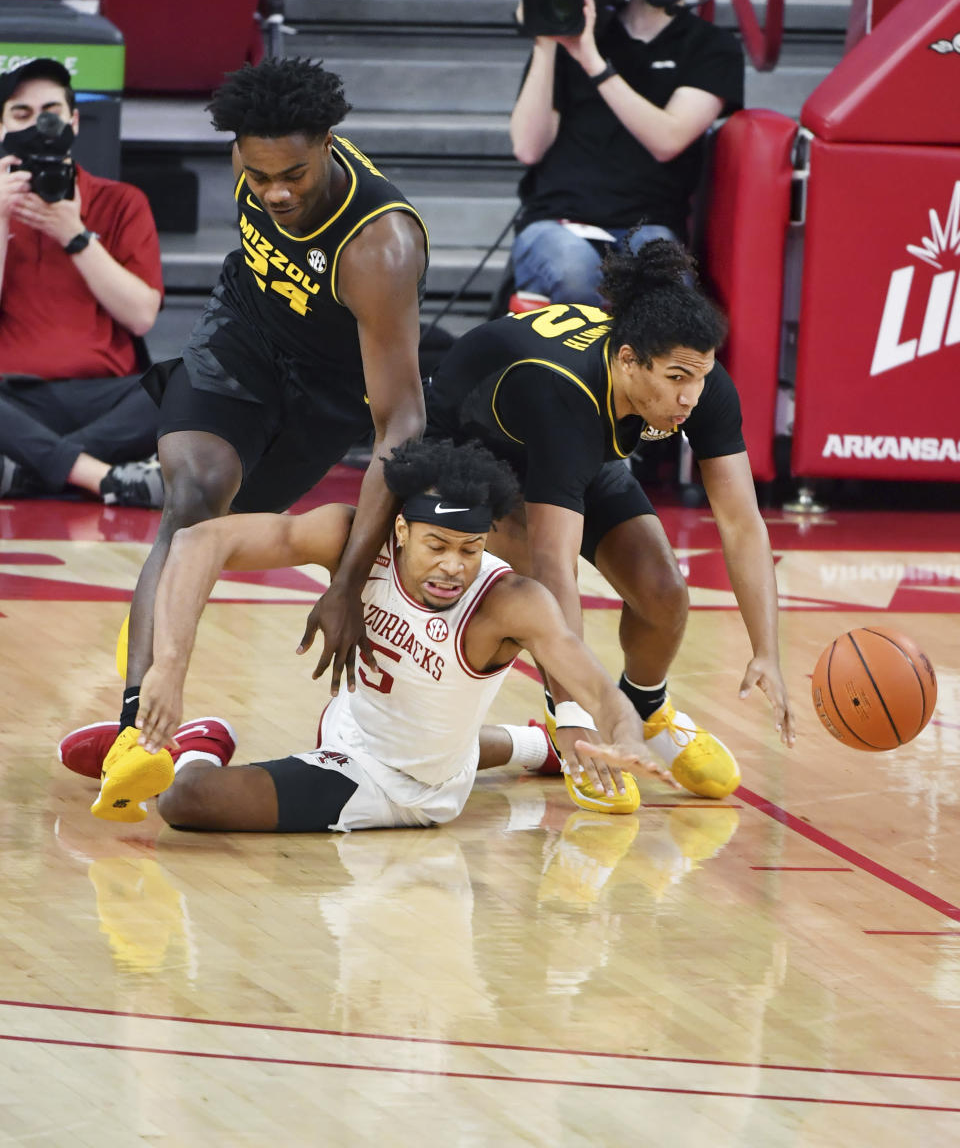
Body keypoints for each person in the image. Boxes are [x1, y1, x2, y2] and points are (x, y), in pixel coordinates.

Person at [58, 439, 674, 829]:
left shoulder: (512, 601)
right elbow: (198, 541)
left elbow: (594, 683)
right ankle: (534, 747)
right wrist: (168, 667)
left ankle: (194, 744)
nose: (453, 566)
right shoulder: (354, 539)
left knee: (184, 800)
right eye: (437, 545)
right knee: (438, 734)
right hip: (354, 730)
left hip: (405, 779)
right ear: (402, 531)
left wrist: (626, 735)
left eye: (470, 548)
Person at [112, 56, 430, 764]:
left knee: (222, 531)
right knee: (192, 500)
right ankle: (137, 726)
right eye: (259, 178)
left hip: (330, 388)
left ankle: (157, 621)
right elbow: (263, 181)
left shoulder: (379, 246)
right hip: (246, 336)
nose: (276, 193)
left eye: (294, 175)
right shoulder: (248, 152)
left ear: (326, 143)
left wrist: (345, 581)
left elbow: (402, 425)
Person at [425, 239, 798, 799]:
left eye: (699, 378)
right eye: (676, 379)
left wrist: (766, 650)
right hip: (474, 456)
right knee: (534, 587)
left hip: (577, 452)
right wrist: (577, 713)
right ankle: (565, 728)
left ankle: (647, 706)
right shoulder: (565, 391)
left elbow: (743, 523)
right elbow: (555, 568)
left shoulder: (696, 375)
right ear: (628, 360)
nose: (690, 397)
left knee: (665, 590)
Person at [510, 0, 744, 305]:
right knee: (579, 274)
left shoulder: (712, 48)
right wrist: (545, 44)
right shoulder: (579, 27)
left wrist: (593, 63)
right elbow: (528, 148)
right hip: (555, 223)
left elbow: (668, 140)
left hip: (650, 226)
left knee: (665, 288)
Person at [0, 58, 165, 507]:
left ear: (73, 121)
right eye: (21, 113)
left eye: (51, 111)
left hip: (105, 396)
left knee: (191, 379)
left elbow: (141, 316)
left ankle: (32, 469)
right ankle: (106, 478)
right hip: (11, 398)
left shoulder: (121, 202)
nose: (39, 124)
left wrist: (74, 236)